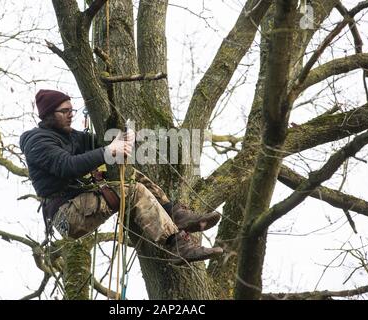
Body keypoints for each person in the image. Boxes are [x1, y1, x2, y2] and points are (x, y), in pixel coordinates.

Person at [19, 89, 223, 265]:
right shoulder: (38, 142)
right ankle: (177, 245)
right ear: (48, 115)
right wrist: (109, 150)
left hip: (81, 200)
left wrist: (124, 138)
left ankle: (176, 215)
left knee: (133, 175)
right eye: (64, 111)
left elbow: (99, 144)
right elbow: (67, 166)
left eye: (71, 110)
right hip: (67, 213)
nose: (70, 115)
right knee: (132, 191)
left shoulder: (71, 136)